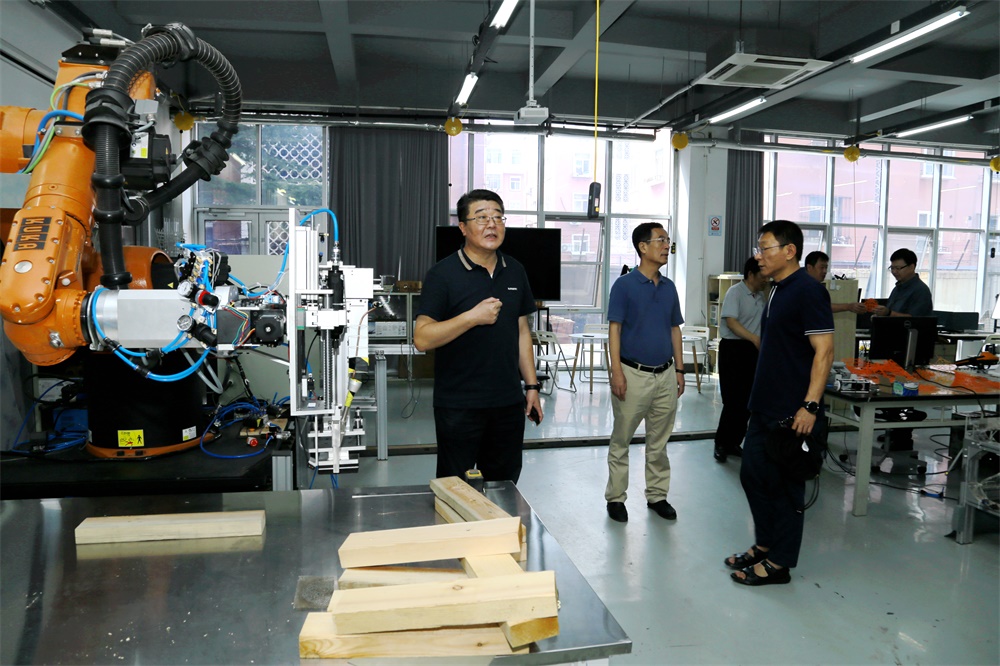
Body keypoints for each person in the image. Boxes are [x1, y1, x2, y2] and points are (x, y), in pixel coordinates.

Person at [726, 220, 834, 586]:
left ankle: (780, 562)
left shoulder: (808, 291)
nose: (759, 256)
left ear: (789, 251)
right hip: (765, 405)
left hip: (792, 410)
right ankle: (766, 543)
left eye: (765, 248)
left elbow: (824, 351)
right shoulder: (776, 290)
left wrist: (811, 405)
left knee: (786, 487)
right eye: (758, 248)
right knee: (753, 474)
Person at [414, 189, 543, 483]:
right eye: (482, 218)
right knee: (455, 487)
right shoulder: (442, 274)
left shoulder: (515, 271)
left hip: (507, 403)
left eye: (498, 217)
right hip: (459, 404)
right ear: (463, 227)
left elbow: (522, 331)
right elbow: (422, 338)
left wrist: (531, 386)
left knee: (504, 485)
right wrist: (472, 317)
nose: (492, 225)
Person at [605, 222, 685, 523]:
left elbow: (675, 329)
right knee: (622, 439)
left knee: (659, 441)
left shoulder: (669, 287)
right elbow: (614, 330)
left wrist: (679, 370)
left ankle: (657, 496)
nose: (666, 246)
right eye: (660, 240)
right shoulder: (624, 285)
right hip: (632, 373)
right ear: (642, 247)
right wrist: (616, 372)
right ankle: (616, 498)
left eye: (667, 240)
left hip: (665, 374)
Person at [871, 248, 934, 450]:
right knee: (891, 392)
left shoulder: (920, 291)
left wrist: (889, 313)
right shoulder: (898, 288)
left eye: (899, 268)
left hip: (909, 352)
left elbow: (914, 320)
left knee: (905, 393)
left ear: (912, 266)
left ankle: (903, 436)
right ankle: (894, 429)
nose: (895, 272)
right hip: (893, 348)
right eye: (892, 268)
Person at [713, 257, 767, 463]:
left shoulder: (761, 296)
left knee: (748, 401)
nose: (765, 279)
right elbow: (731, 322)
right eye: (762, 275)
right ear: (751, 274)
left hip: (753, 350)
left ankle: (734, 442)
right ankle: (721, 443)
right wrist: (754, 338)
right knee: (733, 400)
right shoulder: (734, 292)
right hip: (734, 349)